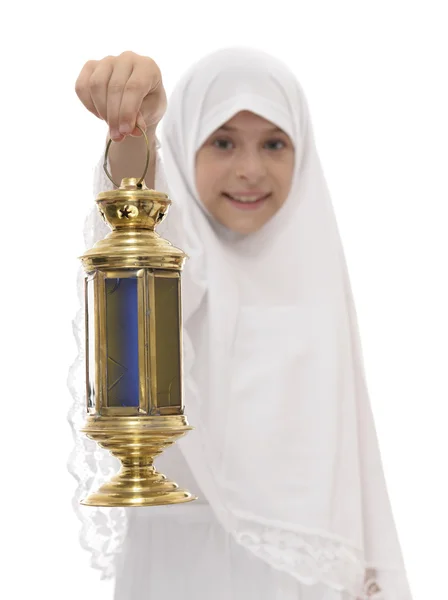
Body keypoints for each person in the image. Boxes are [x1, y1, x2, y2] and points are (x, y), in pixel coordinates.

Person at [69, 47, 413, 600]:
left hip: (306, 580)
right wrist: (134, 131)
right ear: (185, 147)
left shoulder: (314, 277)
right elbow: (138, 249)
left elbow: (355, 462)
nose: (251, 169)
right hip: (184, 571)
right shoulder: (182, 259)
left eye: (274, 143)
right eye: (222, 141)